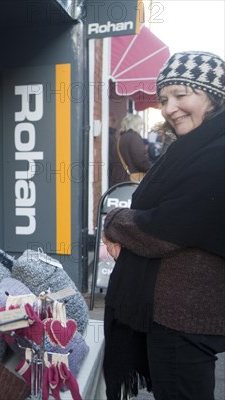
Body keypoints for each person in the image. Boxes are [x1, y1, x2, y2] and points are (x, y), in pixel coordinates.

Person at [102, 51, 225, 400]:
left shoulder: (216, 154)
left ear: (214, 95)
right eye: (164, 99)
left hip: (185, 316)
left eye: (181, 95)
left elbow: (163, 228)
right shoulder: (194, 146)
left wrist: (114, 222)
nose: (170, 108)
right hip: (179, 310)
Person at [115, 113, 152, 182]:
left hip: (123, 179)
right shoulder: (134, 137)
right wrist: (152, 168)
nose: (141, 127)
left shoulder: (121, 138)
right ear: (135, 124)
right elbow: (140, 160)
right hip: (134, 179)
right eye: (140, 124)